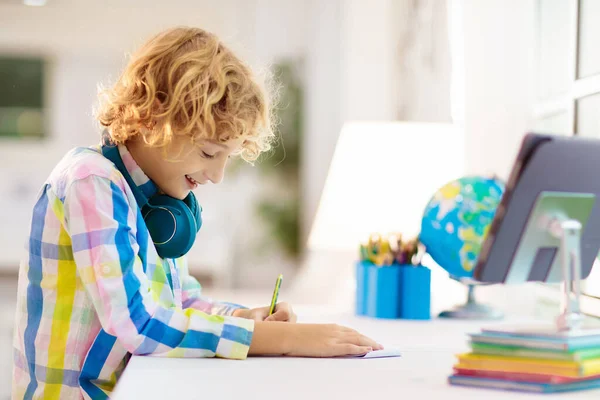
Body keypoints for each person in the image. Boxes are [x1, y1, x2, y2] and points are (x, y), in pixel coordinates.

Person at [12, 27, 382, 399]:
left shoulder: (158, 200)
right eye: (208, 153)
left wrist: (242, 318)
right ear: (153, 119)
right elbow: (137, 321)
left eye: (228, 157)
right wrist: (280, 338)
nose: (217, 176)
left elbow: (180, 303)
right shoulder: (91, 181)